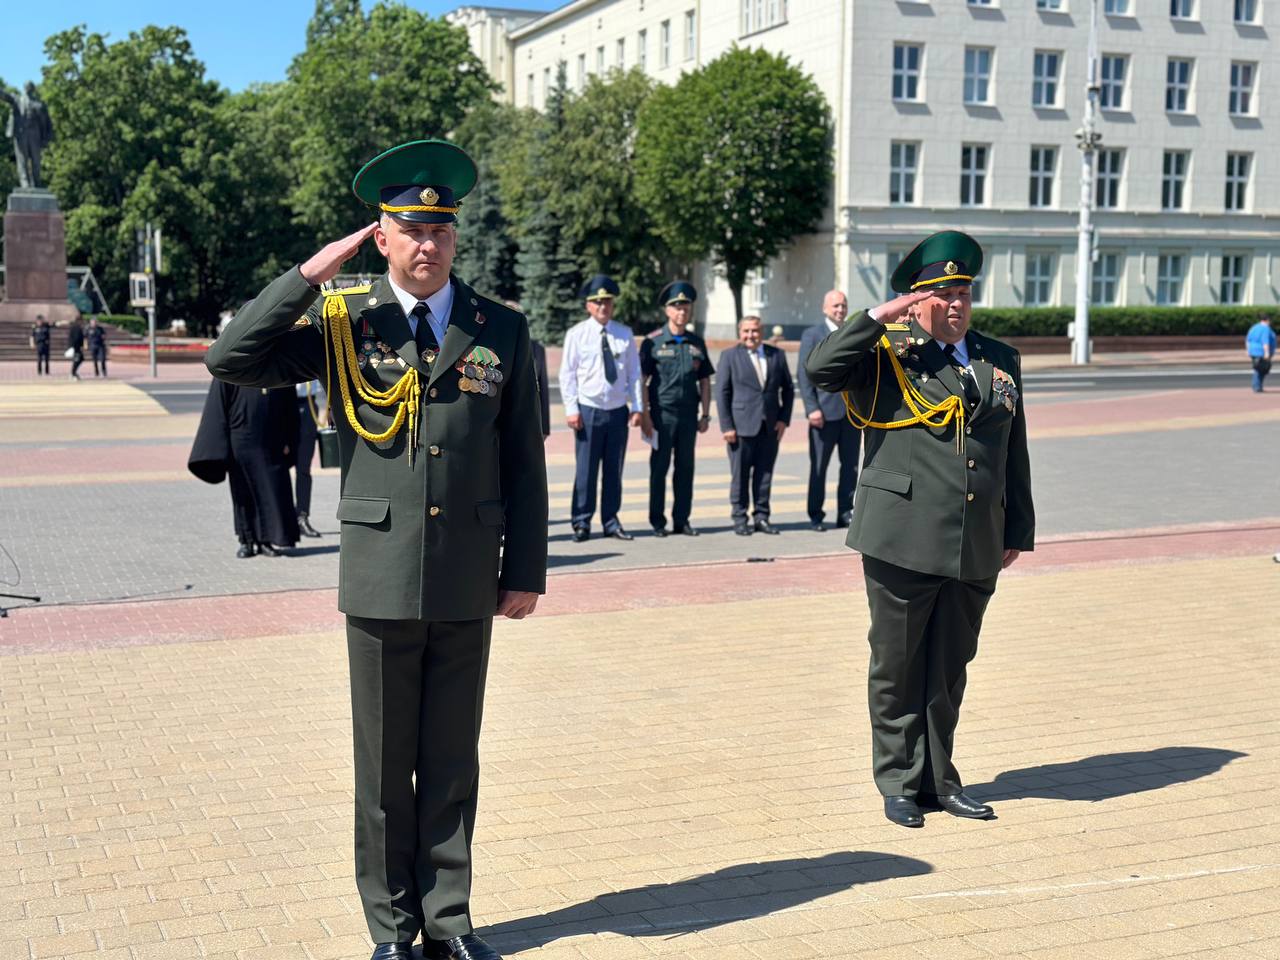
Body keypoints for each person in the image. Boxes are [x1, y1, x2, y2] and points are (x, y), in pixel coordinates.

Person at [205, 139, 547, 960]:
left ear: (455, 238)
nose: (427, 244)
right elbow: (231, 358)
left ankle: (450, 920)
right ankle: (394, 930)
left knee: (452, 760)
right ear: (381, 236)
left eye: (441, 230)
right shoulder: (342, 321)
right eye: (409, 228)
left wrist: (525, 570)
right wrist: (309, 274)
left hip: (469, 574)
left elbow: (523, 458)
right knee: (385, 769)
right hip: (381, 573)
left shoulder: (499, 326)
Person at [804, 230, 1035, 829]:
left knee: (949, 668)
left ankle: (941, 779)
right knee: (898, 664)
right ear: (915, 300)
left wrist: (1018, 527)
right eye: (941, 293)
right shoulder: (887, 351)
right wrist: (878, 317)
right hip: (901, 536)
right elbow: (822, 368)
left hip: (975, 540)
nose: (955, 303)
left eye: (963, 292)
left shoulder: (998, 360)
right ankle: (900, 781)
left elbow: (1014, 451)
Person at [559, 275, 643, 541]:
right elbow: (567, 374)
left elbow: (634, 374)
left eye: (607, 301)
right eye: (597, 302)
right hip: (588, 410)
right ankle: (582, 522)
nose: (603, 306)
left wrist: (637, 406)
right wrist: (571, 409)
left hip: (617, 410)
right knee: (586, 470)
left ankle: (611, 521)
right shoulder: (577, 334)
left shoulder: (624, 334)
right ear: (589, 306)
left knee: (613, 470)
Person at [188, 382, 302, 557]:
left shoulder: (277, 364)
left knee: (271, 492)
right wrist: (221, 446)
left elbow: (289, 404)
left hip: (271, 440)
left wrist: (290, 439)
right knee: (243, 492)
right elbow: (218, 406)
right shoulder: (232, 364)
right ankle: (246, 540)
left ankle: (266, 540)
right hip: (241, 439)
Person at [640, 281, 714, 537]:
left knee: (685, 468)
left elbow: (704, 381)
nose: (681, 311)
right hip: (662, 416)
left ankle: (681, 520)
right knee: (659, 469)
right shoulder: (653, 342)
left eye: (685, 307)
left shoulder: (696, 342)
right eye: (676, 307)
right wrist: (645, 415)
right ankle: (658, 522)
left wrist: (705, 415)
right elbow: (642, 381)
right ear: (667, 311)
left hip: (688, 416)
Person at [715, 315, 794, 535]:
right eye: (746, 331)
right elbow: (722, 393)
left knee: (764, 474)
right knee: (739, 475)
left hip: (769, 426)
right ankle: (739, 517)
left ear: (762, 331)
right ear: (740, 333)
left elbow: (788, 389)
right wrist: (726, 426)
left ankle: (761, 516)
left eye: (755, 331)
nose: (750, 335)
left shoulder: (776, 355)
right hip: (740, 427)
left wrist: (783, 419)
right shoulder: (729, 356)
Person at [797, 290, 861, 532]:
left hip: (851, 415)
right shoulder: (812, 335)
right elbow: (804, 375)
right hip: (823, 415)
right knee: (819, 467)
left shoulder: (851, 333)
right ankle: (815, 514)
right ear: (825, 308)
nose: (840, 310)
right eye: (835, 306)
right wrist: (811, 408)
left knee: (850, 466)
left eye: (843, 305)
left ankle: (845, 512)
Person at [505, 300, 551, 440]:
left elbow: (542, 388)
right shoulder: (491, 347)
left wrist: (544, 427)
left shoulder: (537, 349)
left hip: (528, 423)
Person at [294, 380, 327, 537]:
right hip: (283, 403)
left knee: (304, 468)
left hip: (307, 404)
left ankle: (302, 516)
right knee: (276, 467)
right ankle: (282, 518)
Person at [1246, 317, 1275, 393]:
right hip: (1261, 352)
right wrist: (1267, 353)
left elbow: (1248, 340)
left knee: (1258, 368)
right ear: (1267, 320)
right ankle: (1257, 386)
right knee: (1261, 369)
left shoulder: (1254, 327)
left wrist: (1248, 350)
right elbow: (1265, 341)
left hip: (1253, 351)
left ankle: (1258, 386)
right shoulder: (1265, 329)